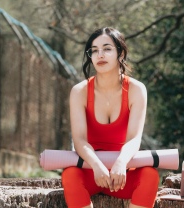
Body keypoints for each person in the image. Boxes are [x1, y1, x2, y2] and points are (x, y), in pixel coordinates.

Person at [62, 27, 159, 208]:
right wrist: (97, 165)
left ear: (120, 54)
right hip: (91, 169)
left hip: (121, 174)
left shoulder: (137, 90)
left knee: (150, 175)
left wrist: (121, 163)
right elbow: (80, 140)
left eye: (107, 48)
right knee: (70, 175)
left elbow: (134, 138)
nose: (100, 55)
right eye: (94, 50)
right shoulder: (79, 91)